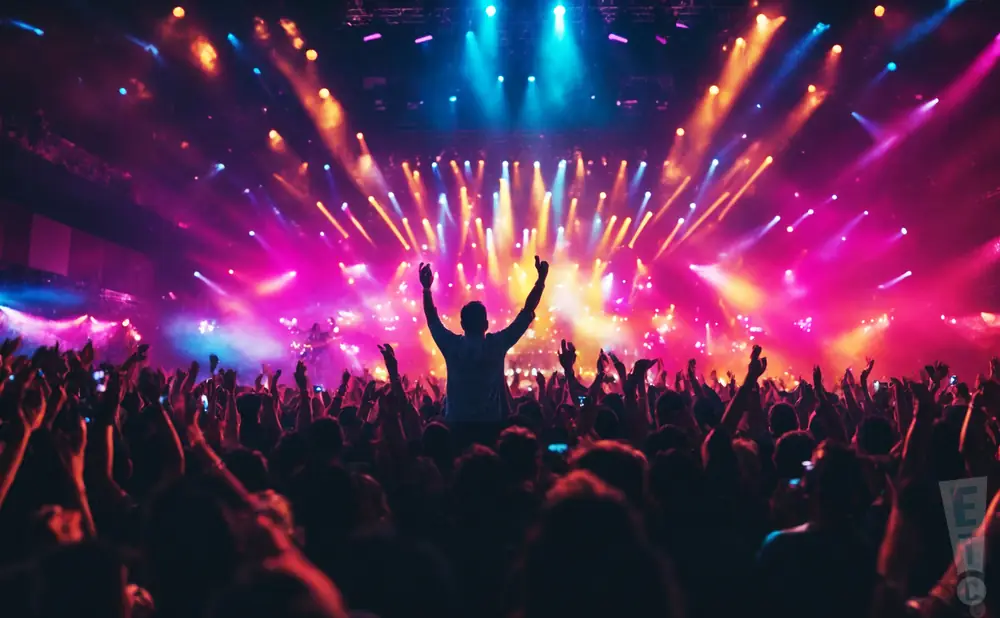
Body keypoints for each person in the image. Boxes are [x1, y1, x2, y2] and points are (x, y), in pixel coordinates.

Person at [419, 256, 548, 445]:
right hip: (491, 426)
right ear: (486, 324)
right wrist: (541, 280)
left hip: (457, 426)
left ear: (462, 324)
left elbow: (431, 317)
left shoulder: (451, 345)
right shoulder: (497, 344)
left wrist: (426, 288)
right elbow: (527, 311)